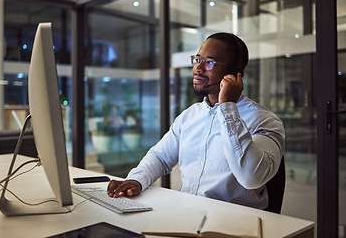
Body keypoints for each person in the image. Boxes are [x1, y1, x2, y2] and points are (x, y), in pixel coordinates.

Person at [107, 32, 285, 210]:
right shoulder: (189, 116)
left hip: (233, 222)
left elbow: (250, 177)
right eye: (197, 59)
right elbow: (160, 157)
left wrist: (227, 107)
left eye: (209, 62)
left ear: (233, 72)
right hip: (186, 214)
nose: (197, 68)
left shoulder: (265, 121)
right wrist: (136, 180)